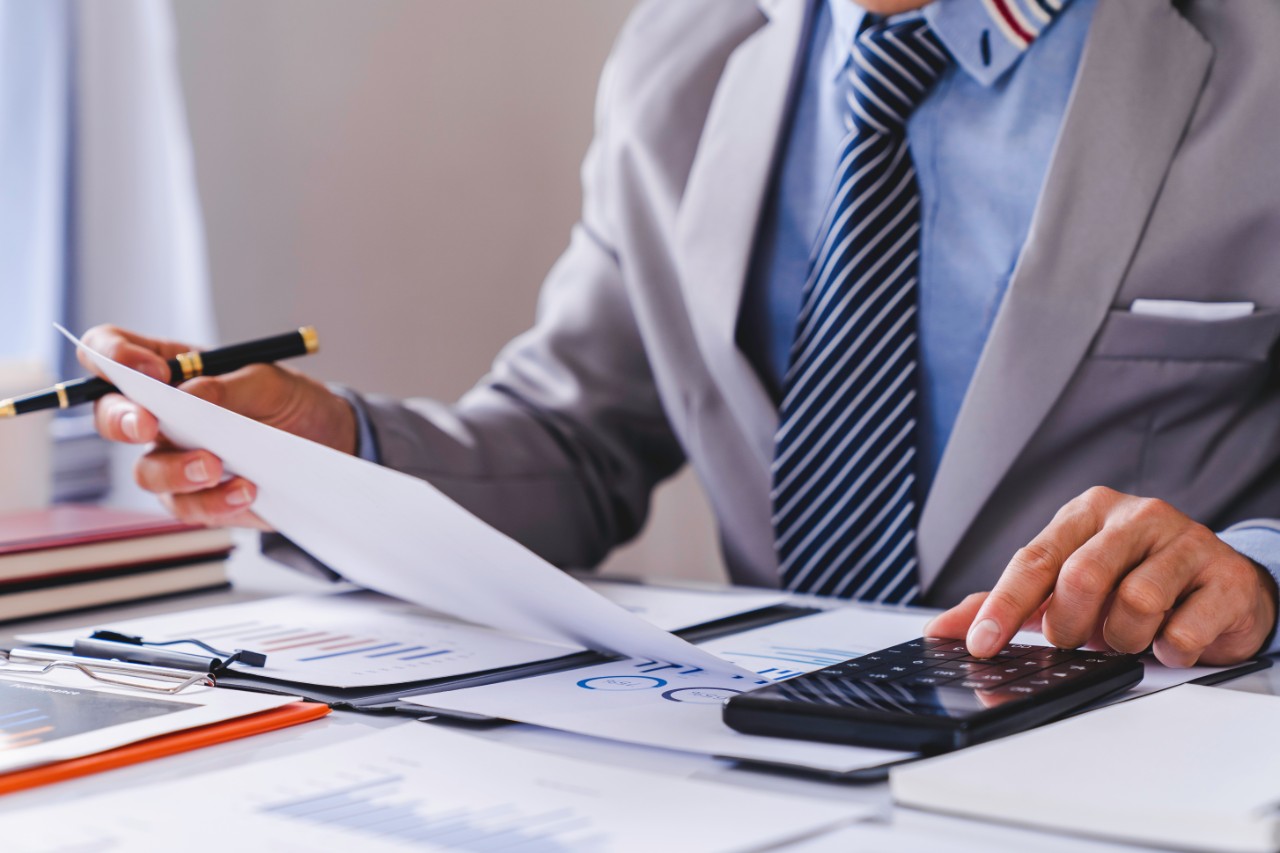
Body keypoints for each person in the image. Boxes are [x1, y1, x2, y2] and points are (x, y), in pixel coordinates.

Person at [84, 0, 1280, 667]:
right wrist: (332, 450)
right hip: (765, 756)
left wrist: (1258, 577)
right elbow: (576, 438)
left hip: (1144, 757)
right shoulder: (683, 51)